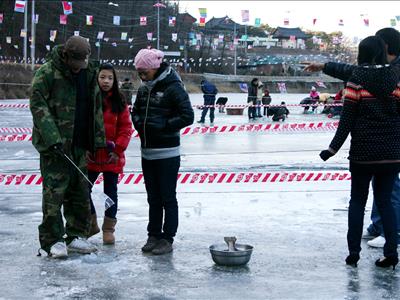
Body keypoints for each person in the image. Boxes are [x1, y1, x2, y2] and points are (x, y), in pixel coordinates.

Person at [305, 27, 400, 249]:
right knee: (385, 193)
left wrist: (332, 149)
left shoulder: (386, 74)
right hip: (390, 150)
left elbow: (346, 119)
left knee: (378, 195)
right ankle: (384, 235)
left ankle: (384, 236)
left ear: (385, 45)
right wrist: (325, 66)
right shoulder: (388, 73)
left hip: (365, 152)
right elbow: (354, 70)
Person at [29, 35, 106, 258]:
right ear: (66, 55)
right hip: (55, 145)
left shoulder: (89, 72)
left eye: (82, 62)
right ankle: (51, 240)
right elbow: (37, 105)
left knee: (80, 191)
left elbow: (96, 107)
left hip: (80, 142)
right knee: (54, 194)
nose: (78, 67)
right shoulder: (47, 73)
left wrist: (98, 140)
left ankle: (76, 236)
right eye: (75, 62)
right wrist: (52, 137)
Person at [131, 49, 194, 255]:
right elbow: (136, 111)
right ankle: (153, 234)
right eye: (139, 72)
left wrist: (164, 125)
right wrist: (139, 123)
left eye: (144, 71)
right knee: (153, 197)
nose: (141, 75)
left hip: (167, 153)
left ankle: (167, 238)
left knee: (167, 197)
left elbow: (188, 116)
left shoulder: (173, 87)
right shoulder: (143, 89)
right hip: (147, 152)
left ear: (155, 68)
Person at [87, 63, 133, 244]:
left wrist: (118, 149)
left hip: (111, 156)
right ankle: (91, 223)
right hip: (92, 155)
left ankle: (108, 229)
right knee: (83, 189)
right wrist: (85, 149)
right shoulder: (89, 99)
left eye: (110, 78)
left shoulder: (120, 102)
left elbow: (126, 128)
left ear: (115, 81)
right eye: (102, 77)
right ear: (96, 79)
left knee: (110, 193)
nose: (106, 81)